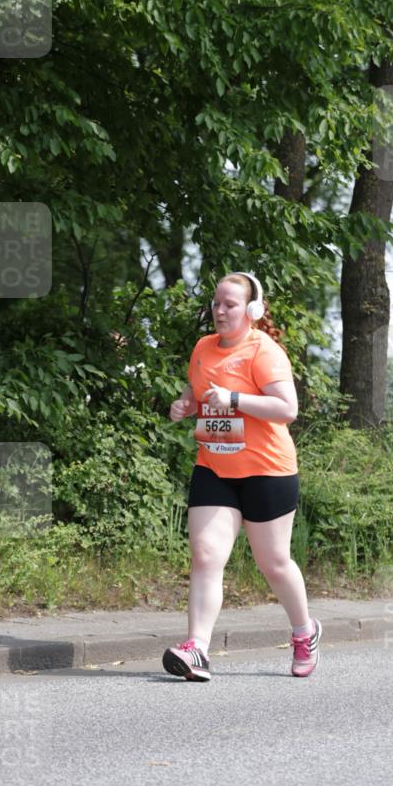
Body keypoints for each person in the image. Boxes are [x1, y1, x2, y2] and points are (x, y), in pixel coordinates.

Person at [163, 271, 322, 682]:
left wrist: (235, 398)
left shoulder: (263, 351)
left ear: (250, 310)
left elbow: (287, 409)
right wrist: (184, 405)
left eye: (229, 304)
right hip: (215, 466)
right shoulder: (202, 348)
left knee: (274, 563)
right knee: (205, 554)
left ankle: (304, 631)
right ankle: (197, 648)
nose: (219, 310)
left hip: (267, 469)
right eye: (216, 303)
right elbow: (194, 391)